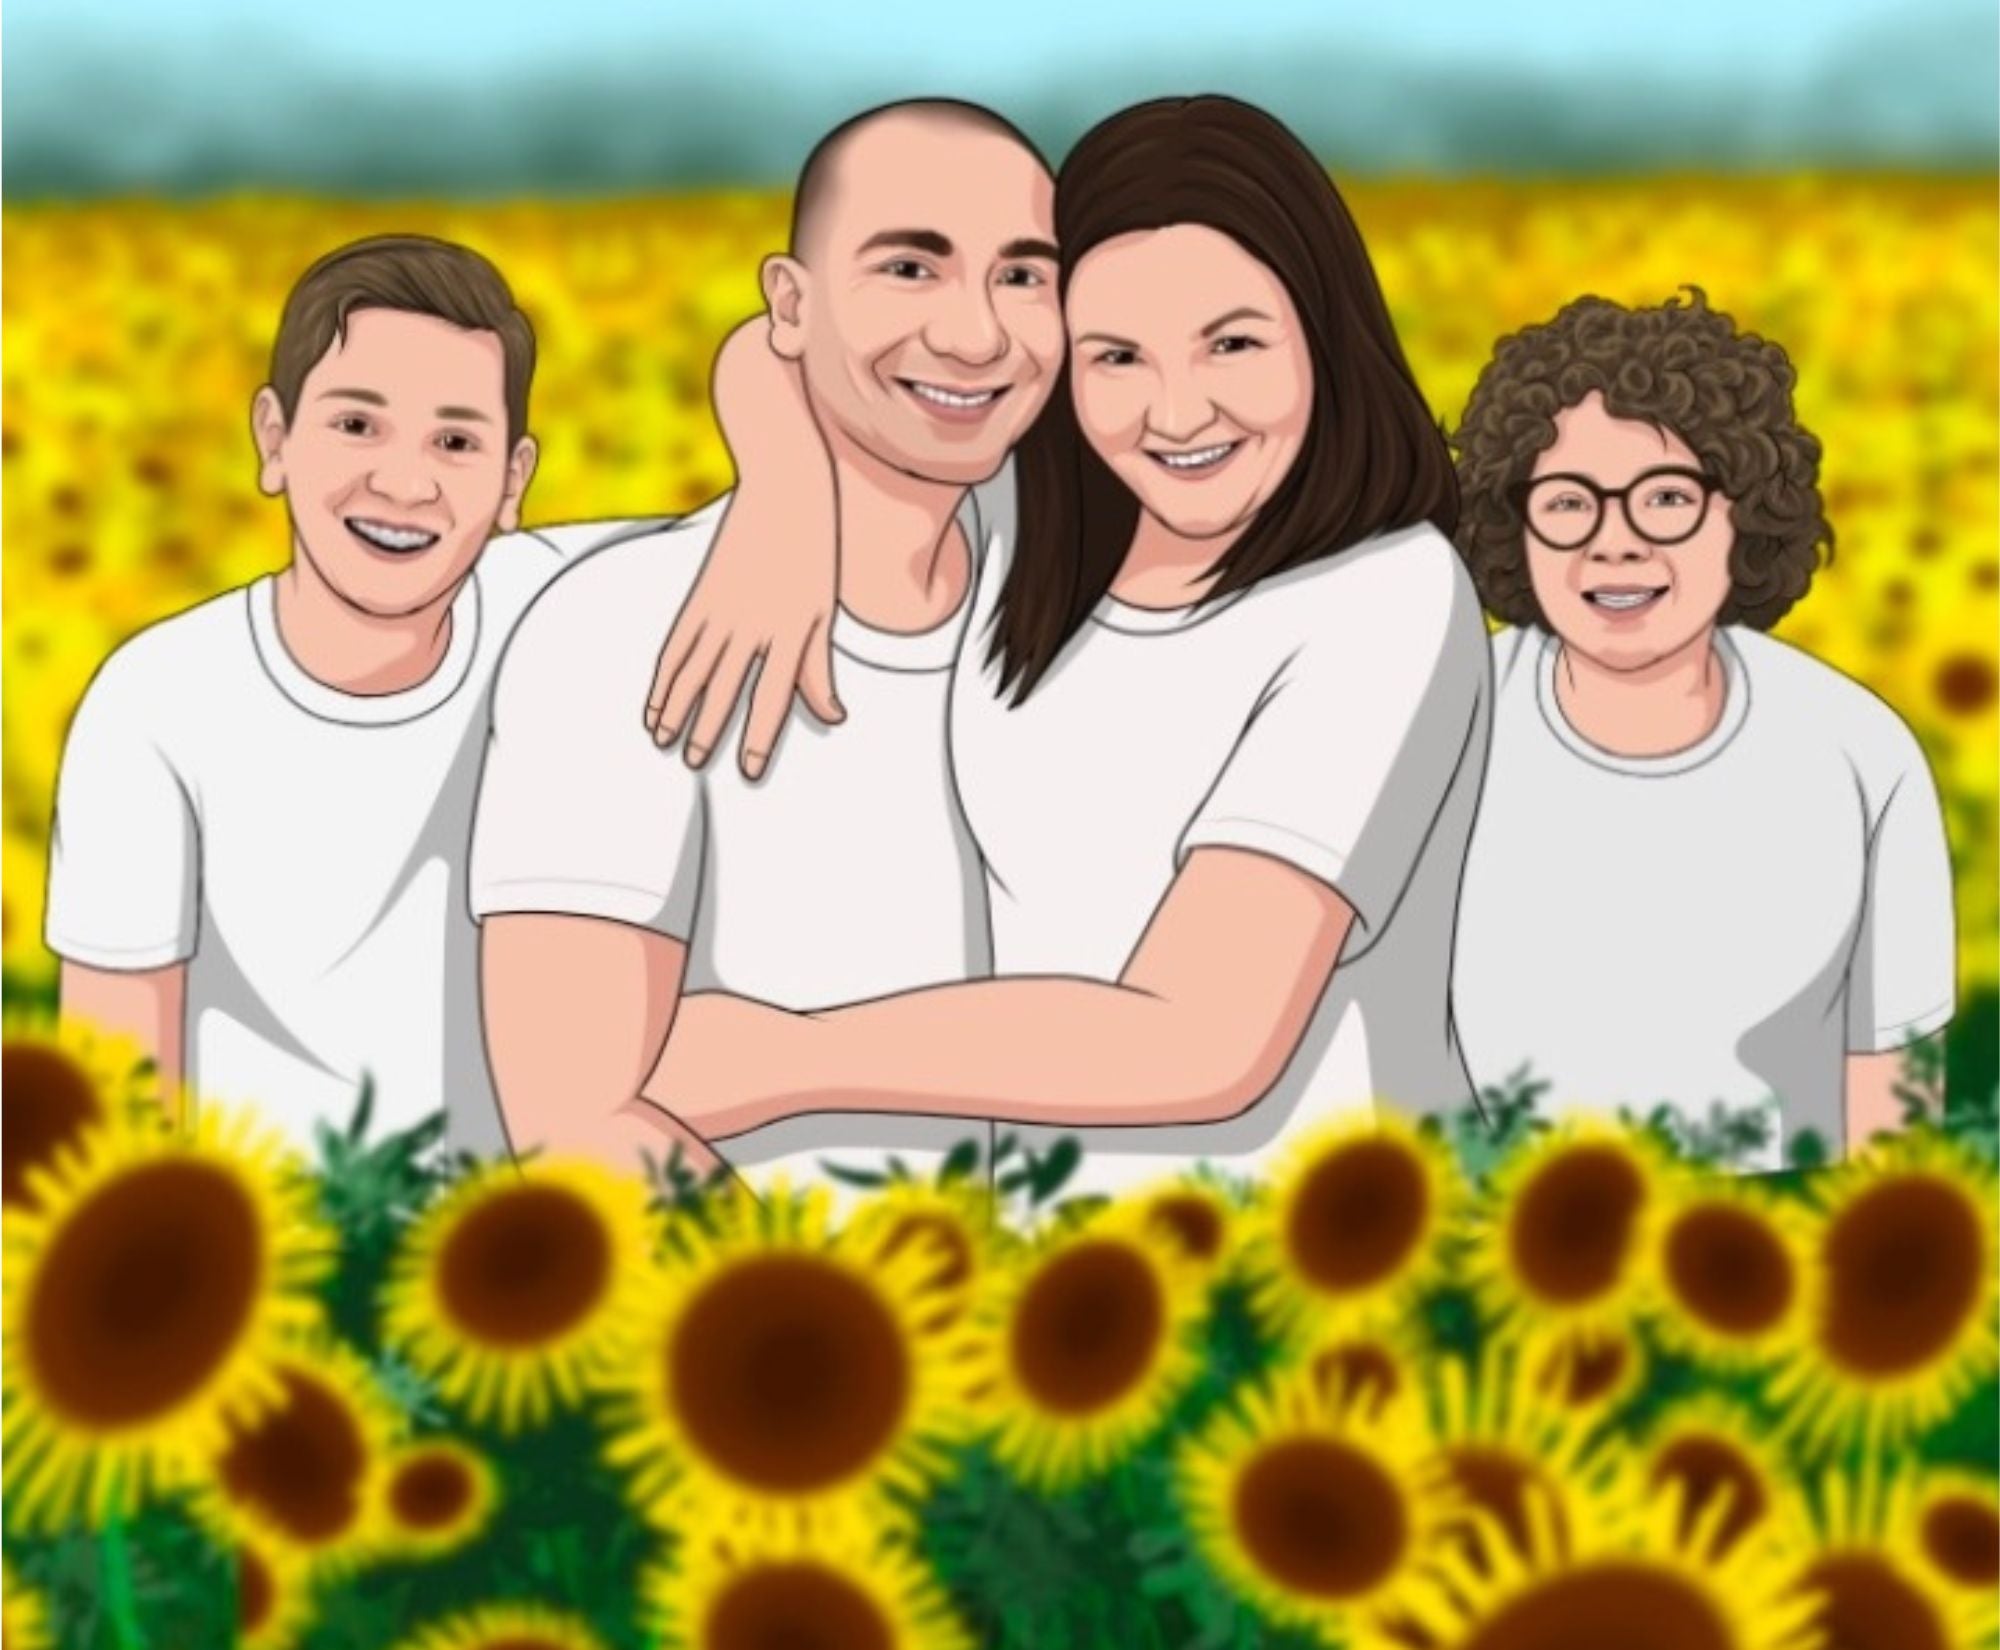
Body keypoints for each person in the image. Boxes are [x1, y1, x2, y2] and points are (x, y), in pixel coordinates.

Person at [636, 95, 1493, 1200]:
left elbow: (1207, 1039)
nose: (1175, 414)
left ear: (1325, 332)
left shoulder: (1382, 595)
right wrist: (784, 502)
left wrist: (784, 1058)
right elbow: (782, 346)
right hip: (1068, 1288)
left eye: (1230, 344)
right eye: (1115, 356)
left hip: (1324, 1267)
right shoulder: (1034, 527)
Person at [467, 100, 1064, 1191]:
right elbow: (574, 1119)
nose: (977, 333)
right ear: (790, 304)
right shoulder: (623, 632)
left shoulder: (1068, 571)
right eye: (909, 269)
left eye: (1023, 276)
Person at [44, 235, 656, 1156]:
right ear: (274, 439)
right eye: (356, 425)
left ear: (513, 482)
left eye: (455, 441)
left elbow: (810, 487)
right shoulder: (157, 709)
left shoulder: (557, 613)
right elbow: (115, 1103)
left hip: (530, 1252)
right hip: (273, 1250)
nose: (405, 483)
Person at [1444, 290, 1954, 1170]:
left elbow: (1893, 1099)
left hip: (1777, 1245)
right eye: (1568, 503)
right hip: (1499, 1242)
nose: (1616, 543)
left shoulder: (1860, 755)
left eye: (1667, 498)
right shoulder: (1444, 727)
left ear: (1744, 512)